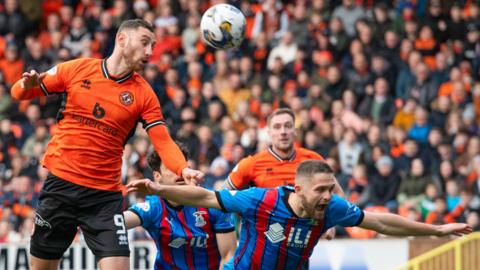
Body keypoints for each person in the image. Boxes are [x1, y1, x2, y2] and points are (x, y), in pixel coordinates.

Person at [10, 19, 204, 270]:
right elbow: (19, 94)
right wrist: (27, 85)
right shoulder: (77, 69)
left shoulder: (144, 94)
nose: (149, 52)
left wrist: (183, 169)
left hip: (104, 197)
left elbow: (163, 140)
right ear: (122, 39)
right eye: (145, 43)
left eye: (153, 46)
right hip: (60, 188)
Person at [127, 160, 473, 270]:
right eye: (321, 190)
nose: (328, 196)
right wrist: (159, 191)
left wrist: (437, 230)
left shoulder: (332, 209)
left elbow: (380, 220)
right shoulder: (259, 201)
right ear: (300, 188)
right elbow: (205, 195)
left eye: (331, 188)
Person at [225, 107, 343, 240]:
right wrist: (240, 219)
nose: (283, 132)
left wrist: (330, 223)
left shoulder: (312, 159)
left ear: (295, 131)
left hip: (299, 243)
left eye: (288, 126)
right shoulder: (251, 163)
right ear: (269, 132)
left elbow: (337, 192)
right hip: (262, 240)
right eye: (277, 127)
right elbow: (224, 194)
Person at [123, 146, 237, 270]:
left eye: (183, 167)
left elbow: (228, 256)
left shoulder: (213, 203)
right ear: (157, 176)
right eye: (172, 168)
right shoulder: (153, 208)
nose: (179, 172)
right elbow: (116, 222)